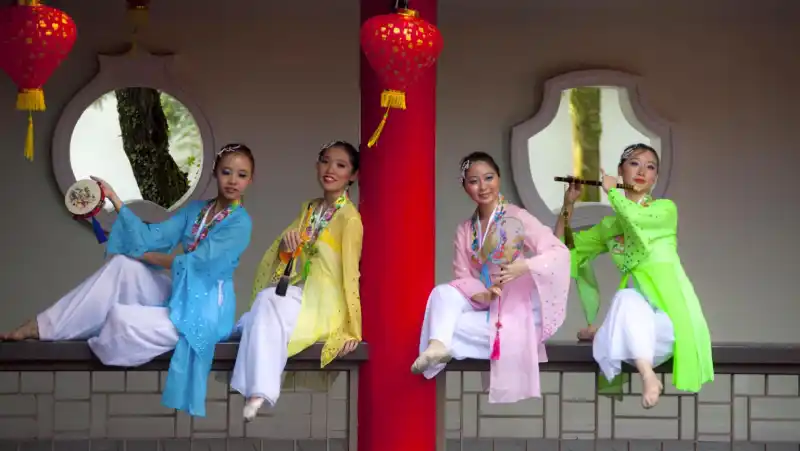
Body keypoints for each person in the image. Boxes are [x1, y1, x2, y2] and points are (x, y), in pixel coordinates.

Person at [1, 143, 255, 417]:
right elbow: (154, 236)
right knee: (123, 265)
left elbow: (198, 263)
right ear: (215, 173)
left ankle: (92, 330)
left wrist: (147, 256)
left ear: (250, 180)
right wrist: (115, 199)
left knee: (120, 320)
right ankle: (41, 325)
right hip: (181, 292)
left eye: (241, 175)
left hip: (207, 309)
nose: (233, 180)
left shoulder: (241, 224)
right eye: (227, 172)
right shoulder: (196, 210)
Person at [555, 143, 714, 408]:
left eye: (650, 166)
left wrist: (612, 192)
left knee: (624, 304)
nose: (642, 170)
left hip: (669, 320)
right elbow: (563, 247)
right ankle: (647, 375)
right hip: (638, 331)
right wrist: (568, 204)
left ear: (655, 179)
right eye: (634, 163)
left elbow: (636, 221)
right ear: (620, 170)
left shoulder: (664, 209)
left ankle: (609, 333)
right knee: (627, 297)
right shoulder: (610, 226)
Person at [411, 152, 570, 404]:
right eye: (474, 181)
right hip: (487, 302)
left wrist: (524, 266)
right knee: (441, 294)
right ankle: (438, 344)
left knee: (445, 324)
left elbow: (558, 253)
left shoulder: (518, 216)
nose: (483, 186)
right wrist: (482, 294)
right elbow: (462, 274)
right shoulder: (466, 229)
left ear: (499, 178)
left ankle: (441, 340)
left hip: (518, 308)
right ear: (464, 186)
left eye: (488, 178)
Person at [231, 140, 363, 420]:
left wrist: (352, 328)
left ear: (353, 176)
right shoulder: (309, 211)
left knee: (258, 317)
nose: (330, 170)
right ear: (317, 165)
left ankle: (253, 368)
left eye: (340, 165)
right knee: (267, 298)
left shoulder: (350, 219)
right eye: (326, 161)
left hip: (329, 302)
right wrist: (286, 249)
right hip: (304, 293)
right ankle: (258, 392)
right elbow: (283, 256)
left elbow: (352, 273)